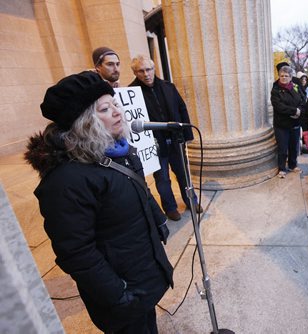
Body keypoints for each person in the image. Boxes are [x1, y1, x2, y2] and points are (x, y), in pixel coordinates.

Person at [25, 71, 174, 333]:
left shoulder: (118, 151)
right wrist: (118, 294)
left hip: (141, 275)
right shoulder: (66, 180)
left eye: (115, 104)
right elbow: (76, 251)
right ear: (85, 122)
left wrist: (158, 219)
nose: (118, 112)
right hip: (121, 293)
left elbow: (140, 190)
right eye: (105, 108)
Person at [130, 55, 202, 221]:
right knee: (162, 179)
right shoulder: (131, 93)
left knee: (183, 174)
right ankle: (170, 208)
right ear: (135, 72)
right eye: (141, 71)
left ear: (154, 69)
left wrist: (187, 134)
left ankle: (191, 201)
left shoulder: (168, 87)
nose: (146, 74)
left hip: (175, 141)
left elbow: (182, 108)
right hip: (154, 144)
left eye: (149, 69)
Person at [271, 65, 305, 178]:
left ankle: (292, 165)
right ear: (278, 76)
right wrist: (294, 111)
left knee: (293, 146)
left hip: (295, 123)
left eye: (286, 76)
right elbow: (279, 106)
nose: (284, 78)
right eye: (281, 76)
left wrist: (300, 110)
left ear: (291, 77)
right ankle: (282, 168)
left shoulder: (295, 87)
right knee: (283, 147)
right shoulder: (275, 89)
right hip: (282, 124)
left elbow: (303, 100)